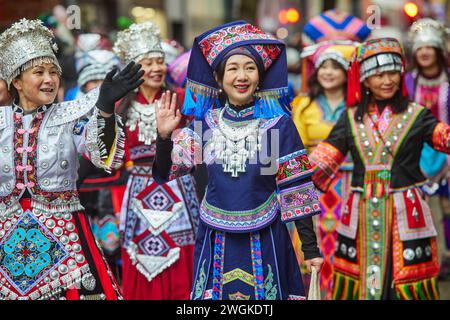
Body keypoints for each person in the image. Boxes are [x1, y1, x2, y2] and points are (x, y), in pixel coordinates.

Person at [153, 20, 323, 300]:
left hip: (267, 236)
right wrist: (163, 138)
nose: (241, 76)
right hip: (215, 236)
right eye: (232, 68)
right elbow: (167, 170)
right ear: (219, 79)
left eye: (250, 68)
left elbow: (297, 191)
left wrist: (311, 250)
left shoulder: (277, 126)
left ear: (260, 77)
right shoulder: (205, 124)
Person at [0, 18, 144, 300]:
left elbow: (106, 159)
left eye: (54, 72)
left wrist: (103, 109)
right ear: (16, 81)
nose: (49, 79)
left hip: (65, 240)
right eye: (39, 72)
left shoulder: (70, 116)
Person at [311, 37, 449, 300]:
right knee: (366, 281)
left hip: (405, 213)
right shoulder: (351, 118)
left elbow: (444, 137)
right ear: (364, 80)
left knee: (405, 280)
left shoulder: (417, 115)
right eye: (379, 74)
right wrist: (285, 174)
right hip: (362, 212)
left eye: (393, 73)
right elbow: (324, 159)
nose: (388, 81)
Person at [113, 21, 200, 300]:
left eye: (160, 61)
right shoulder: (119, 106)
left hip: (177, 186)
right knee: (138, 255)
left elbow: (193, 154)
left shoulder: (183, 100)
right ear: (133, 69)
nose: (156, 68)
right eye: (147, 63)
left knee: (181, 252)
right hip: (138, 191)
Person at [291, 41, 357, 299]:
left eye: (335, 67)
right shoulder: (304, 104)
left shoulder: (355, 107)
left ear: (346, 73)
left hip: (349, 183)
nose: (328, 72)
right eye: (323, 67)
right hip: (314, 183)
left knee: (347, 238)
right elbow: (295, 147)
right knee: (312, 239)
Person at [72, 34, 125, 283]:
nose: (98, 87)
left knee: (117, 250)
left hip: (116, 193)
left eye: (103, 81)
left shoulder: (121, 114)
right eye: (92, 81)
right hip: (84, 196)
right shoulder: (70, 117)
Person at [406, 18, 450, 280]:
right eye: (419, 48)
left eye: (429, 47)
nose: (423, 52)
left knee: (446, 208)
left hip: (447, 154)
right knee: (420, 206)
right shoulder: (406, 82)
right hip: (415, 154)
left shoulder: (448, 83)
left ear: (438, 51)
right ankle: (425, 257)